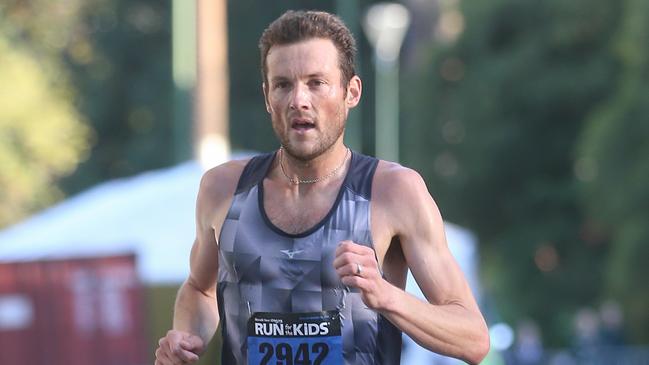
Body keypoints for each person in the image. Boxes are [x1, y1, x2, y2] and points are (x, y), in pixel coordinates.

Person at [155, 10, 489, 365]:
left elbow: (472, 338)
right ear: (268, 96)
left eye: (316, 82)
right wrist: (186, 341)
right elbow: (198, 290)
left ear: (352, 92)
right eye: (283, 84)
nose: (299, 99)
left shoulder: (393, 191)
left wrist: (387, 295)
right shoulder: (223, 189)